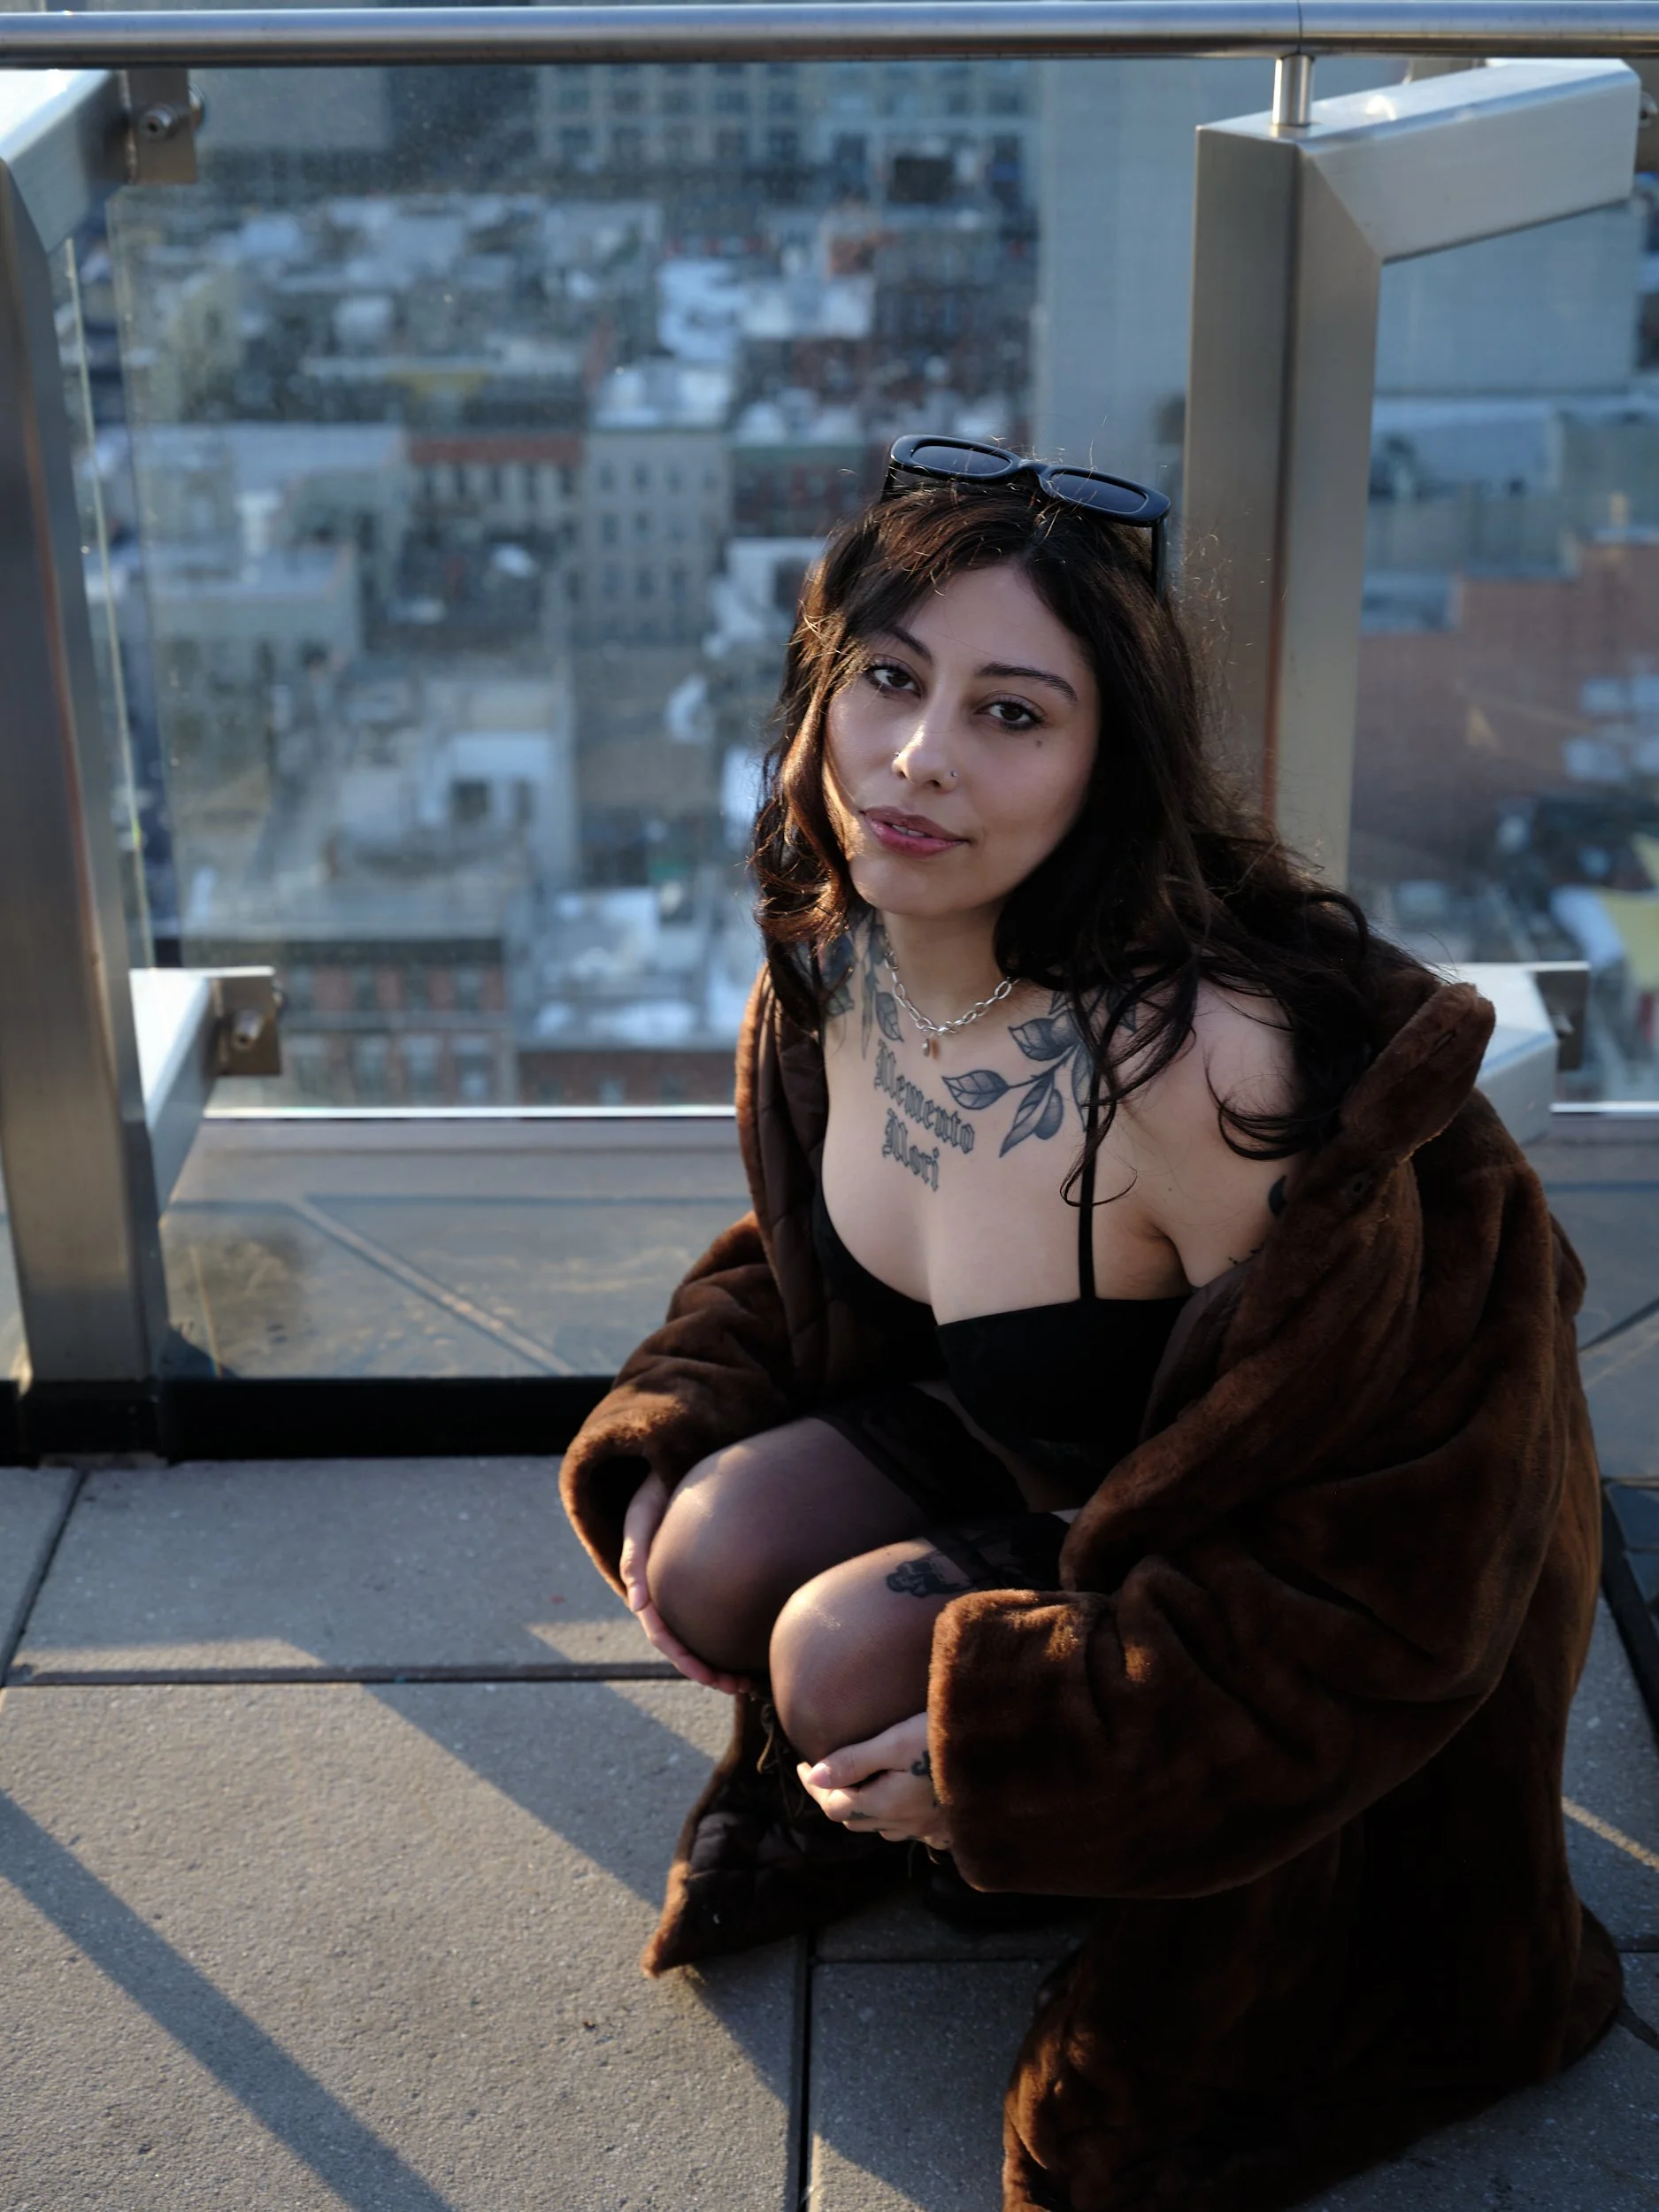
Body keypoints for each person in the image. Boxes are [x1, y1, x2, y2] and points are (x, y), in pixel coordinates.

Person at [561, 439, 1616, 2212]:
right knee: (702, 1547)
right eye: (889, 679)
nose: (917, 758)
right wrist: (683, 1413)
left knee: (829, 1661)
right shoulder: (842, 954)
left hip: (1243, 1541)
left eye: (1010, 713)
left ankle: (1043, 1834)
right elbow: (811, 1263)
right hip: (1031, 1443)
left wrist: (1045, 1740)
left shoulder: (1212, 1073)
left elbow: (1402, 1550)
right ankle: (955, 1767)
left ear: (1105, 763)